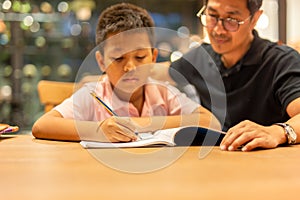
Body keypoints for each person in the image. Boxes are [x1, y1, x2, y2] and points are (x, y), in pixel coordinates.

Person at [32, 3, 220, 142]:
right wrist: (99, 130)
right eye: (118, 58)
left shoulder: (164, 93)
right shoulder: (93, 94)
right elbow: (42, 126)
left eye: (139, 57)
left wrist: (144, 123)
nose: (130, 67)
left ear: (153, 57)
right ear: (101, 61)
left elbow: (210, 122)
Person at [152, 0, 300, 151]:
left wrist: (277, 132)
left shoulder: (281, 61)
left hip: (266, 163)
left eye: (231, 20)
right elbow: (159, 72)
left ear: (255, 19)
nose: (218, 30)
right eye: (212, 16)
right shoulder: (200, 57)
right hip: (213, 161)